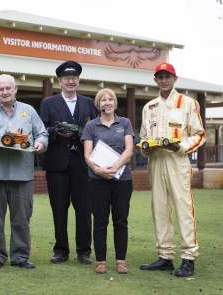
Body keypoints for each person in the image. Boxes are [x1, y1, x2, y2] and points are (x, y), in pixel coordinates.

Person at [0, 74, 48, 269]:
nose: (5, 92)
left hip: (22, 175)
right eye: (1, 89)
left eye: (9, 88)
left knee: (22, 219)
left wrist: (41, 143)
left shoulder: (29, 111)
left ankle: (20, 257)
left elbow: (42, 133)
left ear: (15, 90)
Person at [139, 63, 206, 277]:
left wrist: (181, 146)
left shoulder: (187, 103)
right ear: (155, 80)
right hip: (156, 161)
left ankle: (188, 257)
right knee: (159, 209)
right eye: (159, 76)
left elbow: (198, 134)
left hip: (177, 160)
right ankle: (165, 256)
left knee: (183, 208)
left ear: (175, 78)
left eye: (167, 76)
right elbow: (142, 138)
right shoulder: (149, 107)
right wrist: (146, 147)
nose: (163, 80)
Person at [40, 60, 97, 264]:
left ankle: (84, 251)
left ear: (78, 80)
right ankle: (61, 250)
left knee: (84, 209)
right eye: (66, 78)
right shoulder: (48, 103)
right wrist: (57, 132)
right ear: (60, 81)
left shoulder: (89, 103)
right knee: (59, 208)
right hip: (57, 164)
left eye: (74, 78)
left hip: (83, 164)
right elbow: (42, 130)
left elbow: (96, 130)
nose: (70, 81)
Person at [82, 88, 134, 274]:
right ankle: (101, 261)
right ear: (98, 104)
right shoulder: (91, 126)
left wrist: (116, 166)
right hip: (97, 180)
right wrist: (97, 169)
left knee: (120, 221)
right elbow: (87, 154)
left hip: (123, 179)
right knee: (100, 221)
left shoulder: (125, 123)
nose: (107, 102)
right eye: (102, 100)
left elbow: (129, 150)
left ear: (115, 103)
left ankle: (121, 261)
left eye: (110, 99)